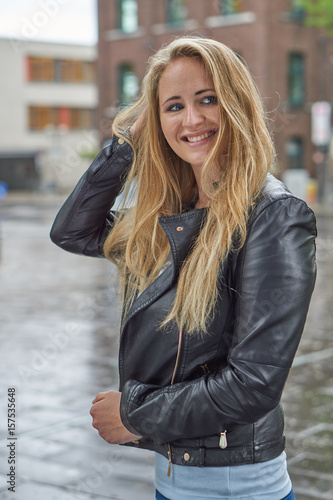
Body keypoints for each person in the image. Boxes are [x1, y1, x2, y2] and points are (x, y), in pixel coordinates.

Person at [50, 37, 317, 500]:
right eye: (173, 107)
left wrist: (134, 413)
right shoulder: (171, 215)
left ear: (236, 104)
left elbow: (253, 385)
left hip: (236, 487)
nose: (192, 120)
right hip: (174, 479)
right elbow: (72, 231)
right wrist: (129, 142)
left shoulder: (274, 215)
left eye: (208, 99)